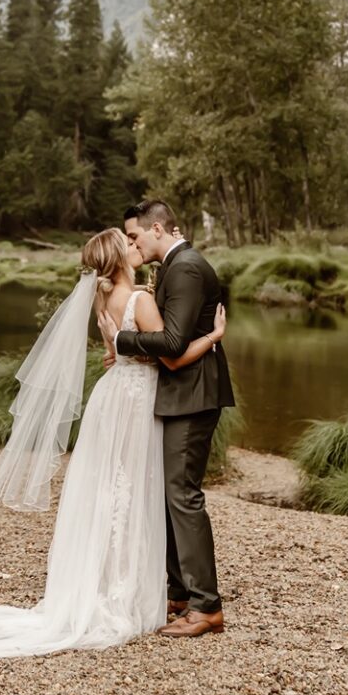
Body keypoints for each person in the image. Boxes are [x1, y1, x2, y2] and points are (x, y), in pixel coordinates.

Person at [0, 226, 225, 659]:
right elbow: (171, 353)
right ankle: (142, 591)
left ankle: (126, 587)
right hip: (138, 402)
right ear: (118, 257)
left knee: (114, 491)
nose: (135, 247)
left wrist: (123, 348)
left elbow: (121, 351)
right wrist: (213, 337)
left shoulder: (102, 300)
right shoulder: (141, 300)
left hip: (111, 399)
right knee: (137, 491)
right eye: (128, 244)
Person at [99, 198, 235, 639]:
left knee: (182, 493)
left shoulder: (187, 268)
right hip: (177, 395)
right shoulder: (176, 268)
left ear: (158, 228)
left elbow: (174, 342)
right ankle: (180, 594)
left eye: (135, 236)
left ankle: (206, 606)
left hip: (194, 396)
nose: (133, 245)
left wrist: (123, 341)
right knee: (167, 492)